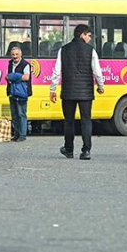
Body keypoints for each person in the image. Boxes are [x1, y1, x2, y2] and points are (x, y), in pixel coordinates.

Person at [49, 24, 104, 160]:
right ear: (82, 35)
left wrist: (52, 89)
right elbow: (97, 71)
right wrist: (100, 86)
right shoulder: (91, 51)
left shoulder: (63, 50)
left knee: (69, 121)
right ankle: (86, 151)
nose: (89, 39)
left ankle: (68, 149)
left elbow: (57, 71)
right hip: (85, 92)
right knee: (86, 120)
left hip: (68, 92)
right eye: (89, 35)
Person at [5, 45, 31, 142]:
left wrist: (14, 76)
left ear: (20, 55)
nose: (15, 56)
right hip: (12, 92)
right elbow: (8, 77)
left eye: (16, 54)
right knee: (14, 114)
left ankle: (22, 135)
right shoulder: (10, 64)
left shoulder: (25, 64)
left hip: (22, 93)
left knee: (21, 114)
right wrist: (16, 77)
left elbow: (26, 77)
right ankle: (16, 134)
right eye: (13, 54)